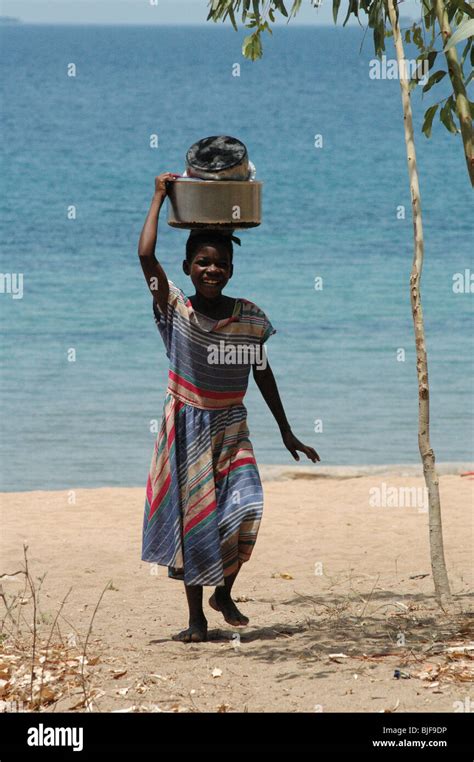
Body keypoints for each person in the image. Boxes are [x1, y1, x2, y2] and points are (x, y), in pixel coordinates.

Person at [138, 172, 320, 643]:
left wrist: (287, 431)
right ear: (187, 266)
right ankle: (197, 619)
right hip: (188, 424)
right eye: (202, 262)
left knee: (247, 506)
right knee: (194, 521)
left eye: (219, 263)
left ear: (232, 269)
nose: (211, 270)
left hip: (232, 424)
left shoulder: (251, 317)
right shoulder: (175, 310)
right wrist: (159, 196)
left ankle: (224, 592)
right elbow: (144, 255)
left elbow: (261, 372)